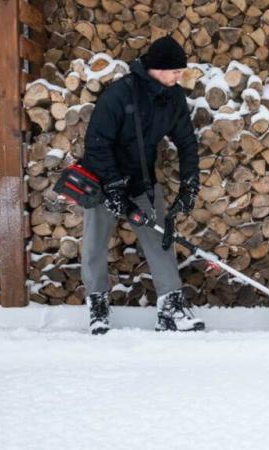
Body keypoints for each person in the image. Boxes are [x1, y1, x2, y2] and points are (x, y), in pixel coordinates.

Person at [81, 37, 204, 334]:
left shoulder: (172, 97)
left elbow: (186, 141)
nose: (179, 77)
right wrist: (112, 186)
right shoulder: (119, 94)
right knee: (95, 245)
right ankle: (98, 305)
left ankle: (170, 309)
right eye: (175, 71)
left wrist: (190, 183)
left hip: (141, 180)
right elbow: (96, 143)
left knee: (160, 240)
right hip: (102, 180)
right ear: (157, 68)